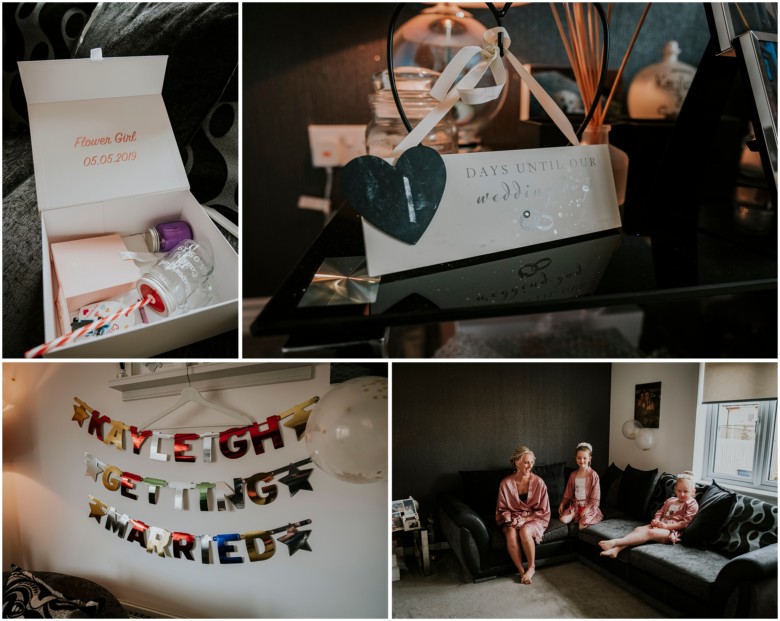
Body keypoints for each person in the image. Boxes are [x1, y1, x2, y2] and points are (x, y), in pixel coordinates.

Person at [599, 471, 698, 558]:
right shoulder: (671, 500)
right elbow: (660, 512)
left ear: (693, 492)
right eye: (679, 491)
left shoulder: (692, 504)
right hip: (660, 525)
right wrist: (656, 520)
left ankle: (615, 542)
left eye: (686, 491)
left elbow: (684, 524)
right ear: (675, 489)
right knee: (638, 529)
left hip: (671, 531)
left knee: (650, 533)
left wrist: (667, 526)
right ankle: (616, 550)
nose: (682, 494)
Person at [496, 446, 550, 584]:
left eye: (532, 462)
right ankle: (521, 571)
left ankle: (531, 567)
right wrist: (509, 520)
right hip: (513, 517)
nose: (530, 465)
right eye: (526, 462)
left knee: (525, 531)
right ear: (516, 462)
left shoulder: (539, 482)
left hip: (535, 517)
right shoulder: (505, 483)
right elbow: (502, 509)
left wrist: (525, 518)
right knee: (511, 533)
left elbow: (543, 510)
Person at [558, 442, 603, 529]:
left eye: (584, 458)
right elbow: (568, 491)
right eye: (579, 458)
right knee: (563, 519)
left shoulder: (593, 475)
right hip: (576, 505)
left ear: (590, 458)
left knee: (582, 524)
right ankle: (575, 514)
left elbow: (595, 495)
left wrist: (587, 508)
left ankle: (583, 517)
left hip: (589, 507)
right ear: (576, 459)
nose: (581, 461)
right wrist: (563, 503)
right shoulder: (573, 474)